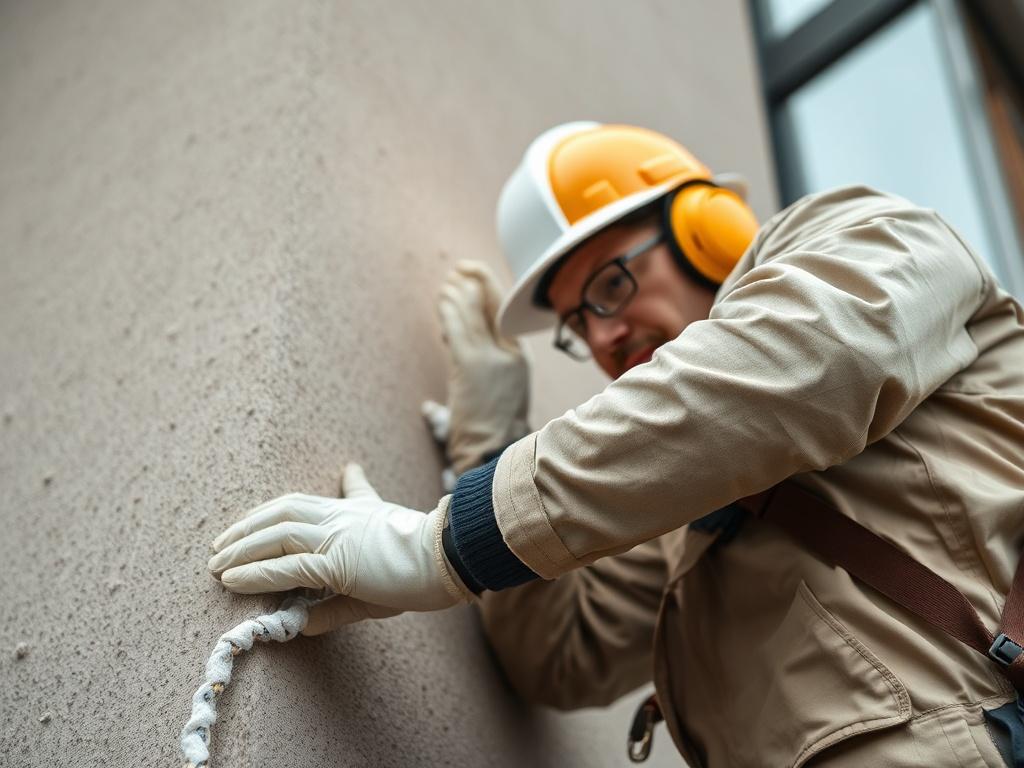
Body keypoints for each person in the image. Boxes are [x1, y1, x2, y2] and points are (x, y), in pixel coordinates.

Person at [207, 122, 1024, 766]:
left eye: (610, 284)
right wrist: (486, 442)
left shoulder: (867, 235)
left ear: (707, 228)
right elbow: (557, 653)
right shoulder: (689, 517)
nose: (601, 336)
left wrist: (445, 542)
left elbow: (813, 363)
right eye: (575, 323)